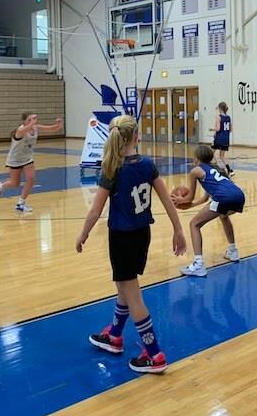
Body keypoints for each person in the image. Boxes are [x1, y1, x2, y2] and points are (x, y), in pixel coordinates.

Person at [75, 115, 186, 373]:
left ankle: (154, 353)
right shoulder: (147, 165)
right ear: (136, 137)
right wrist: (178, 229)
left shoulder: (112, 168)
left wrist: (83, 234)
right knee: (124, 286)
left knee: (132, 292)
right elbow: (167, 200)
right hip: (142, 234)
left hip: (122, 236)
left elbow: (95, 210)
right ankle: (114, 335)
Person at [175, 145, 245, 277]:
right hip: (239, 195)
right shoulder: (218, 169)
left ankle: (198, 265)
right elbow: (204, 199)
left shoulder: (196, 171)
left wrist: (180, 200)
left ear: (196, 158)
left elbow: (190, 197)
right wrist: (189, 206)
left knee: (194, 224)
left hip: (223, 197)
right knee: (223, 216)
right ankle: (233, 251)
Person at [0, 112, 63, 212]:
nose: (33, 121)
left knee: (31, 179)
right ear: (24, 121)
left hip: (28, 159)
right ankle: (2, 186)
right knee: (15, 183)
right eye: (30, 119)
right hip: (15, 160)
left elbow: (53, 129)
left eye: (34, 118)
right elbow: (26, 128)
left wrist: (60, 124)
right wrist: (32, 123)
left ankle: (20, 203)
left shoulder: (35, 128)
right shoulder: (20, 130)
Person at [210, 102, 234, 176]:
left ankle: (217, 168)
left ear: (220, 108)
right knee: (222, 156)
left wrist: (211, 129)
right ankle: (230, 170)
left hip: (219, 138)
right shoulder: (228, 117)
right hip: (226, 139)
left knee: (210, 153)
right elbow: (230, 129)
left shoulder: (218, 117)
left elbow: (218, 128)